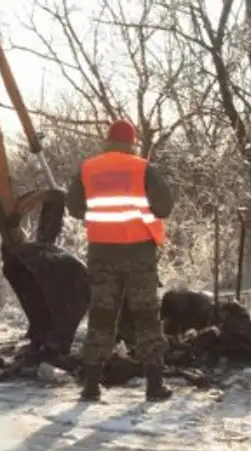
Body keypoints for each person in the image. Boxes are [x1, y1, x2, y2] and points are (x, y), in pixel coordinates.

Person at [66, 118, 175, 402]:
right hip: (139, 253)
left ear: (107, 141)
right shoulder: (142, 168)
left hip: (102, 253)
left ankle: (91, 386)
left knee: (101, 317)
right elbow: (164, 207)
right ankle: (154, 386)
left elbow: (74, 207)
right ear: (132, 142)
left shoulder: (88, 168)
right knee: (147, 317)